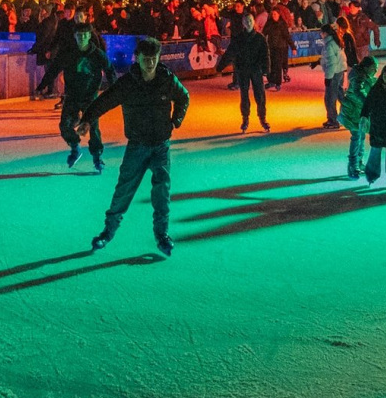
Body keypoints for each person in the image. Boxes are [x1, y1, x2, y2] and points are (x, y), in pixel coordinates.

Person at [76, 37, 190, 257]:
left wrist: (176, 120)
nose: (150, 64)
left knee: (161, 193)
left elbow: (183, 97)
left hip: (160, 147)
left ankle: (162, 236)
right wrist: (88, 119)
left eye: (154, 59)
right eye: (146, 59)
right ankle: (107, 233)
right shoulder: (128, 83)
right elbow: (105, 101)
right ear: (137, 58)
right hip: (137, 147)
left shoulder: (167, 79)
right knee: (123, 191)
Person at [46, 20, 112, 171]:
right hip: (73, 96)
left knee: (93, 127)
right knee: (64, 126)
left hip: (90, 96)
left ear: (90, 35)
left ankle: (97, 157)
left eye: (84, 35)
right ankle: (75, 147)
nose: (82, 38)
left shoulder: (97, 54)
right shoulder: (69, 53)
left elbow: (110, 70)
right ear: (75, 36)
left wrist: (113, 88)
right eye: (79, 35)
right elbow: (57, 66)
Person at [216, 14, 271, 132]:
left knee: (260, 95)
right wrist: (220, 66)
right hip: (243, 70)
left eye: (251, 21)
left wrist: (266, 70)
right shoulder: (239, 38)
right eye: (247, 21)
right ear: (243, 24)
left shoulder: (260, 38)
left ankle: (262, 118)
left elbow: (265, 55)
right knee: (244, 95)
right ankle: (245, 119)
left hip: (256, 70)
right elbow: (230, 53)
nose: (249, 23)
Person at [339, 56, 377, 179]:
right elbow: (358, 91)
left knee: (361, 136)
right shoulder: (358, 78)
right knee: (356, 137)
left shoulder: (367, 77)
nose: (375, 71)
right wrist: (368, 102)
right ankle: (353, 165)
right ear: (366, 68)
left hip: (359, 111)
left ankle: (359, 162)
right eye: (373, 68)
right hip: (352, 111)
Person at [318, 23, 348, 129]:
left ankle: (333, 120)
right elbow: (331, 58)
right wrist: (318, 62)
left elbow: (332, 62)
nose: (320, 34)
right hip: (339, 71)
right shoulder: (335, 41)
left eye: (321, 32)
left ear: (325, 33)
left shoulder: (330, 44)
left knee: (330, 97)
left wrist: (328, 77)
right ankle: (349, 114)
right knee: (340, 94)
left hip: (334, 73)